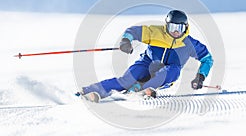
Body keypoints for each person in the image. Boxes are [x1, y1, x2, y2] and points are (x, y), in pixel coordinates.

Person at [78, 10, 213, 102]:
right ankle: (89, 91)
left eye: (180, 28)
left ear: (186, 28)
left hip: (167, 72)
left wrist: (200, 76)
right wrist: (126, 41)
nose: (176, 32)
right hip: (147, 63)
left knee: (172, 71)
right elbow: (132, 31)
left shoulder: (189, 43)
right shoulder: (155, 32)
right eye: (172, 27)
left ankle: (142, 89)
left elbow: (207, 59)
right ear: (167, 26)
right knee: (126, 80)